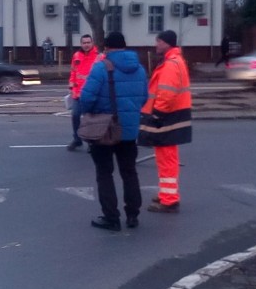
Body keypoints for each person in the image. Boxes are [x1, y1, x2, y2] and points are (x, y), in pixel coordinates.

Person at [79, 32, 148, 231]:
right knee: (129, 172)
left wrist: (94, 112)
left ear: (107, 48)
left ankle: (111, 217)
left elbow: (86, 99)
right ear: (125, 46)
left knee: (104, 173)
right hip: (129, 131)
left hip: (104, 130)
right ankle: (133, 215)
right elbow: (143, 97)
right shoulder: (140, 70)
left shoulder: (101, 68)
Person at [139, 30, 192, 213]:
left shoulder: (170, 64)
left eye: (159, 42)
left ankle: (169, 199)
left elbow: (167, 93)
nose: (156, 45)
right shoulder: (175, 61)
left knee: (166, 159)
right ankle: (166, 194)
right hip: (173, 116)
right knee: (166, 158)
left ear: (167, 43)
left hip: (167, 117)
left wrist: (157, 114)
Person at [68, 33, 99, 151]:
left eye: (88, 42)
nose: (86, 45)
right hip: (77, 93)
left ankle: (91, 142)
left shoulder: (98, 57)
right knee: (75, 116)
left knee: (90, 119)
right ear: (81, 44)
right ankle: (77, 139)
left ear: (92, 43)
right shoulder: (76, 55)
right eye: (84, 43)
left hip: (91, 94)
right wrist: (71, 87)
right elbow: (73, 72)